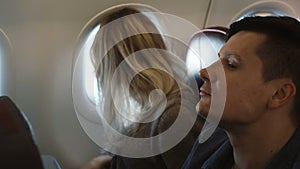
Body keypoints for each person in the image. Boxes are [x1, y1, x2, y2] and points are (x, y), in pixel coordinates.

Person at [81, 7, 203, 169]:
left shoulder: (173, 117)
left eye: (101, 64)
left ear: (120, 64)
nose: (97, 73)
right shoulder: (145, 106)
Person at [183, 16, 300, 169]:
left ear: (279, 93)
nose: (204, 72)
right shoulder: (210, 142)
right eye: (218, 60)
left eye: (231, 64)